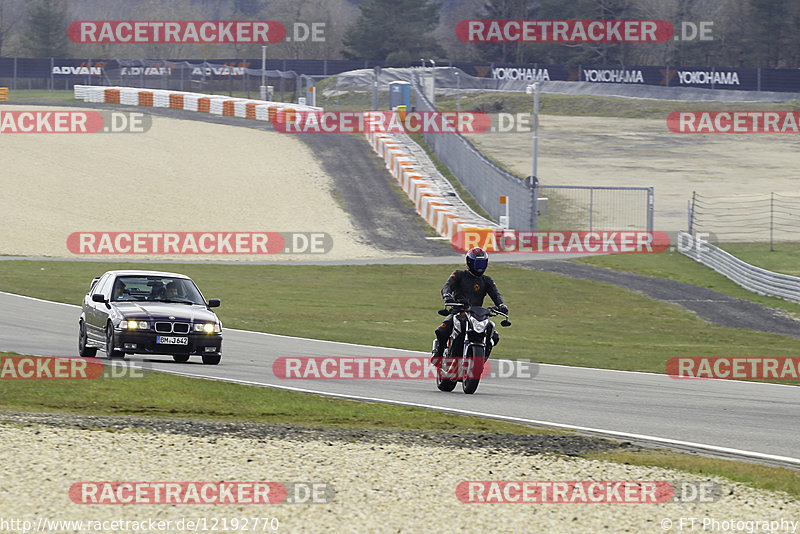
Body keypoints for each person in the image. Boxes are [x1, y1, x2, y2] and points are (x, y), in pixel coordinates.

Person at [431, 247, 508, 367]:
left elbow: (496, 294)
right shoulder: (459, 275)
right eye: (477, 263)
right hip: (458, 311)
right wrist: (447, 296)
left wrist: (502, 305)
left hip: (478, 315)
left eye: (482, 263)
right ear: (469, 262)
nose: (479, 267)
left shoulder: (487, 280)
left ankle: (480, 361)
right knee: (442, 330)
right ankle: (439, 357)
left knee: (494, 335)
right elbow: (447, 287)